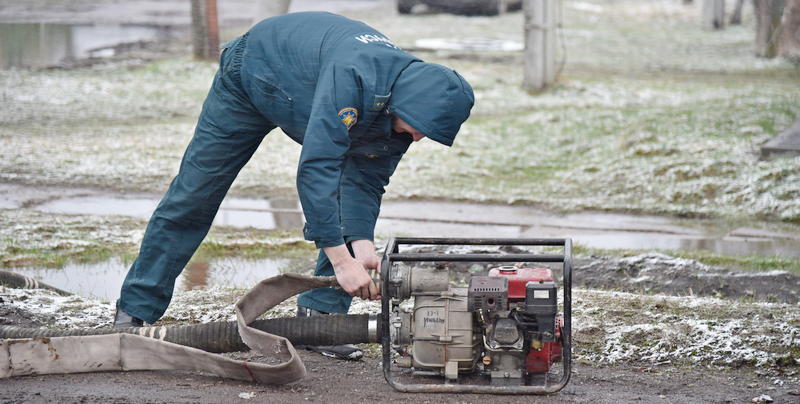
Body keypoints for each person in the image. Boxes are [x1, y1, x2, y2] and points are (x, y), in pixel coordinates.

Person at [113, 12, 475, 360]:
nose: (418, 137)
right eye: (419, 126)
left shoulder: (402, 110)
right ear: (404, 103)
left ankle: (320, 323)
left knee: (344, 212)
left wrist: (361, 246)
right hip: (251, 75)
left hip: (306, 89)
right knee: (195, 193)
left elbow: (365, 181)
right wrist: (340, 259)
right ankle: (135, 311)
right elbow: (318, 167)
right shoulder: (354, 77)